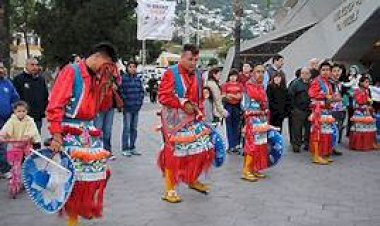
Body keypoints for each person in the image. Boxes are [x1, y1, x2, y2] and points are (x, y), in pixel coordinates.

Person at [46, 42, 119, 226]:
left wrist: (106, 88)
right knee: (73, 179)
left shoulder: (97, 78)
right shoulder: (72, 71)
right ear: (99, 57)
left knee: (94, 175)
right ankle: (72, 221)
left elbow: (102, 108)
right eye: (107, 65)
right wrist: (56, 134)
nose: (107, 70)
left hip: (89, 132)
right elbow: (55, 105)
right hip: (70, 130)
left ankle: (78, 215)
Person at [158, 44, 223, 203]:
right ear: (182, 57)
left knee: (200, 150)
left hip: (193, 118)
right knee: (174, 154)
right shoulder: (171, 73)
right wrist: (182, 103)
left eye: (195, 59)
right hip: (174, 121)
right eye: (190, 59)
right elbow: (163, 96)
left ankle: (192, 179)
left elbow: (200, 98)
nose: (193, 63)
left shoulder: (199, 74)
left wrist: (199, 112)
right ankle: (170, 189)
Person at [241, 65, 271, 182]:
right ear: (253, 73)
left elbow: (265, 103)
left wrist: (265, 111)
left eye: (263, 72)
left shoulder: (262, 87)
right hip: (252, 120)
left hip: (262, 119)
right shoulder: (247, 87)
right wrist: (255, 112)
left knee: (260, 145)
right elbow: (244, 106)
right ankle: (246, 170)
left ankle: (255, 168)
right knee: (252, 145)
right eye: (258, 72)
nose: (261, 74)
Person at [308, 61, 337, 165]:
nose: (325, 72)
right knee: (318, 132)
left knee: (326, 133)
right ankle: (316, 155)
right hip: (318, 111)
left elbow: (330, 96)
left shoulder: (328, 83)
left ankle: (324, 153)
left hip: (326, 110)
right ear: (320, 71)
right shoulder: (317, 81)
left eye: (328, 70)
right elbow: (312, 93)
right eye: (323, 70)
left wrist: (332, 98)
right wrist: (325, 96)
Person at [13, 57, 49, 132]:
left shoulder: (41, 80)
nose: (35, 67)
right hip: (23, 118)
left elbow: (45, 96)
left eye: (36, 65)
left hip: (37, 118)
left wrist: (43, 111)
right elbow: (15, 98)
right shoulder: (18, 79)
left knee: (36, 141)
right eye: (32, 65)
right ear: (26, 66)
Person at [94, 66, 122, 160]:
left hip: (110, 107)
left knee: (108, 131)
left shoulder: (113, 76)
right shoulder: (97, 75)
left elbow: (119, 83)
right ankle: (98, 151)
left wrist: (115, 83)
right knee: (98, 130)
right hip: (99, 107)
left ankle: (107, 151)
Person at [120, 60, 144, 157]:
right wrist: (125, 102)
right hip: (127, 108)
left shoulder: (138, 79)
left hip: (136, 108)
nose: (132, 69)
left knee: (134, 128)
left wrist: (139, 102)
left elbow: (141, 92)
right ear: (127, 68)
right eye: (130, 67)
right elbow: (121, 92)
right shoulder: (124, 79)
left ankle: (132, 147)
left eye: (134, 67)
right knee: (127, 128)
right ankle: (125, 148)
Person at [0, 61, 19, 179]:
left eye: (2, 67)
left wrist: (13, 110)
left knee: (3, 145)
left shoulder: (8, 84)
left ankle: (4, 169)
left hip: (5, 120)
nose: (1, 70)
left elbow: (15, 99)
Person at [349, 76, 377, 151]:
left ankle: (367, 144)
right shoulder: (357, 91)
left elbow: (368, 100)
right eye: (366, 82)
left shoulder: (367, 91)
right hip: (359, 111)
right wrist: (366, 102)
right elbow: (358, 101)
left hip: (366, 110)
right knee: (359, 128)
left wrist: (369, 103)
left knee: (368, 127)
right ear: (361, 83)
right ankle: (358, 145)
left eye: (368, 82)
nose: (368, 84)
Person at [289, 67, 311, 153]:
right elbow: (290, 96)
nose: (304, 75)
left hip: (309, 110)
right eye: (303, 73)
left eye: (306, 73)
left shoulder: (312, 83)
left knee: (308, 128)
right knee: (297, 129)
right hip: (298, 110)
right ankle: (296, 145)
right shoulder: (295, 83)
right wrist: (294, 108)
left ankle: (307, 144)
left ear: (310, 74)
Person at [222, 69, 244, 152]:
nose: (233, 77)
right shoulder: (225, 85)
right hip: (228, 106)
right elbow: (224, 96)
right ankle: (231, 145)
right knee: (229, 126)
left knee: (237, 125)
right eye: (231, 76)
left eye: (234, 76)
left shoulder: (240, 85)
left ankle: (236, 145)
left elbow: (241, 96)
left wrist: (231, 95)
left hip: (237, 107)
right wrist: (235, 96)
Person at [330, 64, 345, 155]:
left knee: (338, 128)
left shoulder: (340, 83)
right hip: (331, 109)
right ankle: (329, 147)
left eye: (338, 71)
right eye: (334, 71)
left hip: (340, 108)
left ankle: (334, 147)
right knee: (331, 129)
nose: (337, 73)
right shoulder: (328, 83)